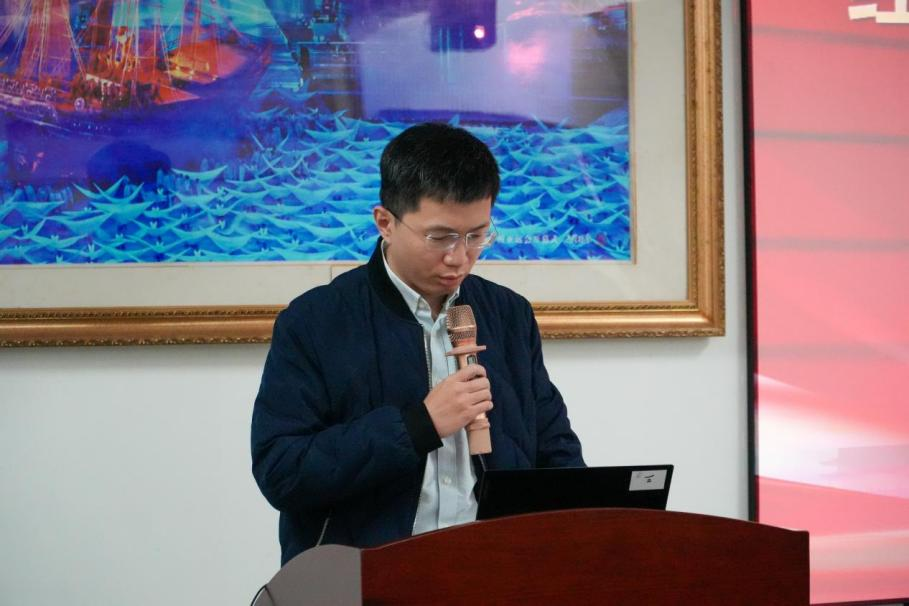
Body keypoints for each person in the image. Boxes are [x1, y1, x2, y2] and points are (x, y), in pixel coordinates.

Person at [251, 123, 584, 565]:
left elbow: (556, 453)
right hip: (364, 576)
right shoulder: (314, 320)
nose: (459, 257)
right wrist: (418, 425)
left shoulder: (509, 314)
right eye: (440, 237)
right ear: (385, 222)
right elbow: (282, 471)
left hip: (493, 572)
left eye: (477, 236)